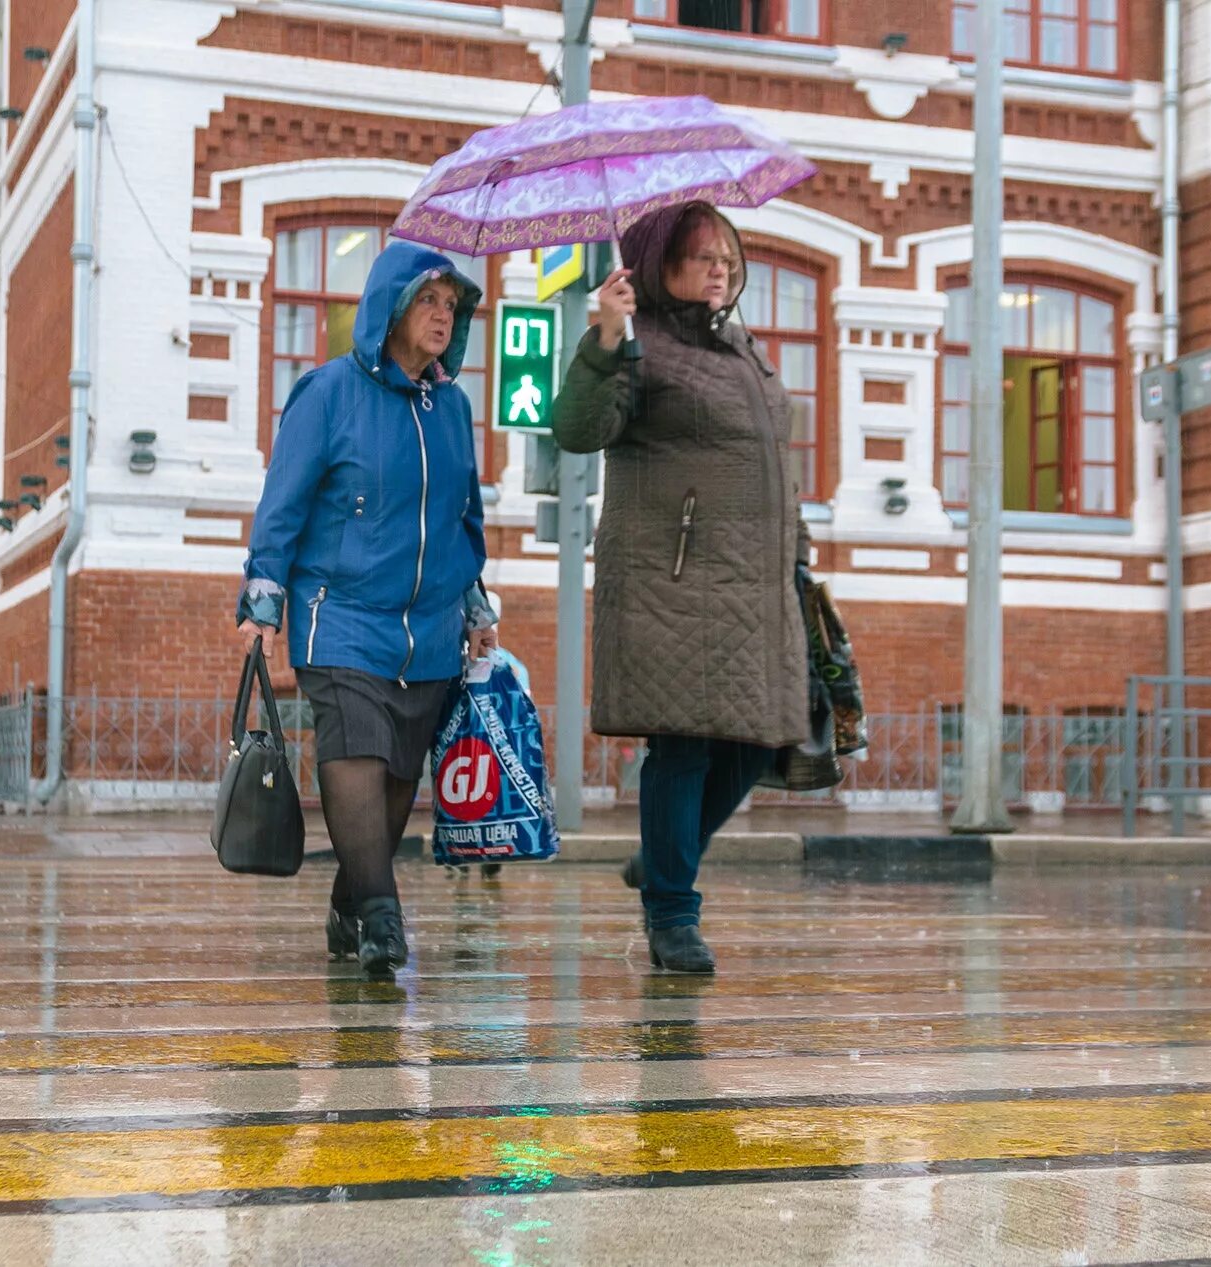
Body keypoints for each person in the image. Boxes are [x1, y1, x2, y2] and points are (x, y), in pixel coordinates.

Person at [552, 201, 810, 973]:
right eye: (702, 257)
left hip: (759, 583)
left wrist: (798, 553)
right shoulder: (639, 345)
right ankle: (672, 914)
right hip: (674, 579)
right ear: (659, 266)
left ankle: (669, 851)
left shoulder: (742, 349)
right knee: (685, 746)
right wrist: (604, 339)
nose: (720, 269)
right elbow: (576, 427)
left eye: (727, 257)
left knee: (762, 739)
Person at [237, 241, 499, 977]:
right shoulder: (327, 392)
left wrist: (474, 605)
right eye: (429, 302)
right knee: (355, 749)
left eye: (452, 306)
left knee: (396, 778)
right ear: (390, 308)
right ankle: (384, 918)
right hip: (340, 611)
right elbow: (282, 503)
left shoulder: (451, 407)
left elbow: (462, 516)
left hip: (427, 630)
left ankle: (350, 899)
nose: (443, 316)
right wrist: (264, 596)